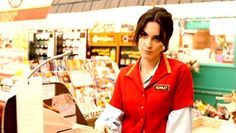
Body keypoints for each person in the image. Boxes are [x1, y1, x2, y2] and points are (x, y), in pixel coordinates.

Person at [94, 7, 194, 133]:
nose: (148, 44)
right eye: (144, 35)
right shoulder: (125, 75)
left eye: (156, 38)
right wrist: (104, 126)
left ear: (165, 41)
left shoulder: (179, 72)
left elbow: (181, 126)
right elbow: (112, 116)